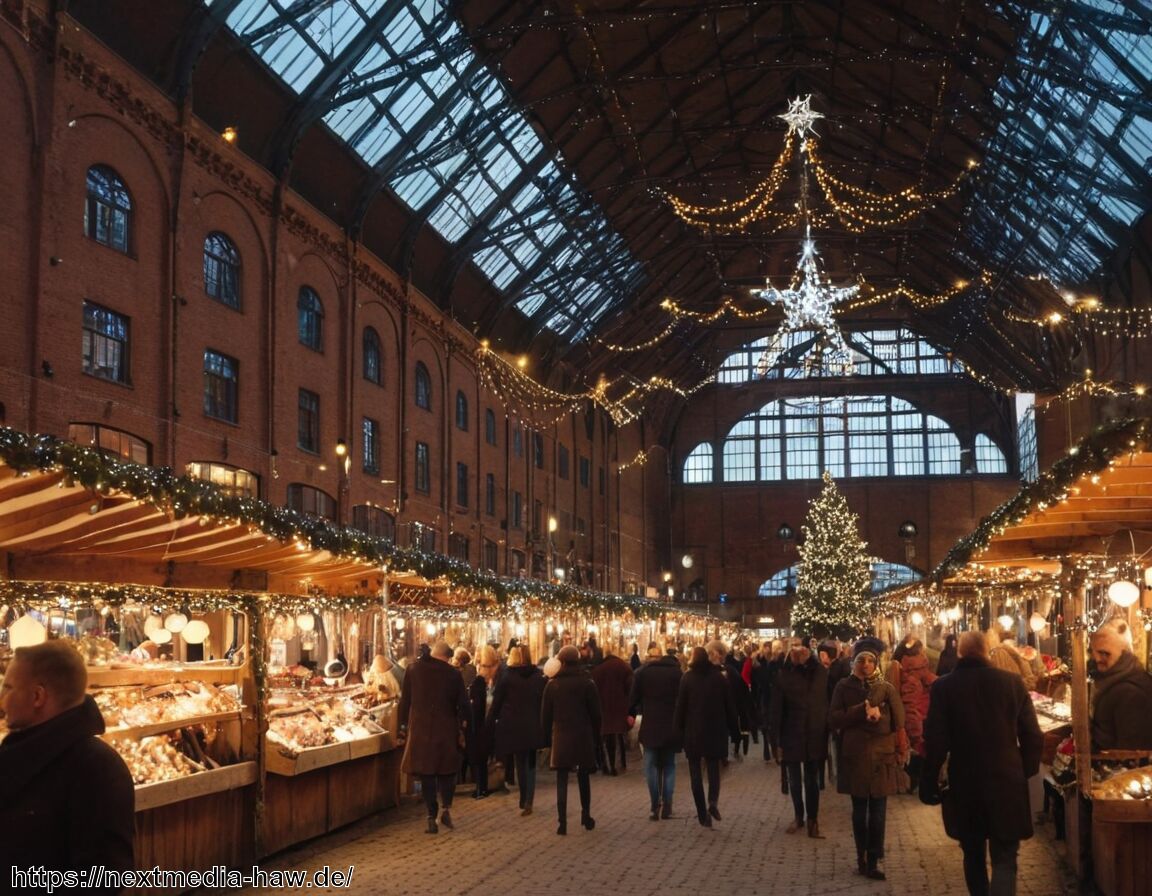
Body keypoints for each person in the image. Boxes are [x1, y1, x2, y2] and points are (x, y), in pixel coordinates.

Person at [0, 640, 135, 888]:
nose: (2, 700)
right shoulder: (20, 753)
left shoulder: (95, 768)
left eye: (8, 688)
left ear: (37, 696)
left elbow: (101, 879)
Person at [920, 631, 1042, 896]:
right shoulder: (1012, 683)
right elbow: (1033, 735)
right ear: (988, 651)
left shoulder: (944, 687)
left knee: (973, 854)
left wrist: (928, 779)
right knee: (1005, 858)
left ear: (960, 652)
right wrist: (1025, 769)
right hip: (1007, 781)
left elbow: (936, 740)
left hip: (966, 782)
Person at [829, 642, 905, 880]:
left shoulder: (886, 687)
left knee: (879, 810)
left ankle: (874, 859)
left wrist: (879, 719)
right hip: (856, 755)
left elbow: (896, 721)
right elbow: (834, 719)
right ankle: (861, 856)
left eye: (870, 661)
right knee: (860, 809)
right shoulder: (843, 686)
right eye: (861, 661)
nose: (866, 665)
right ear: (854, 663)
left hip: (881, 755)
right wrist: (861, 710)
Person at [397, 639, 470, 834]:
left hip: (420, 729)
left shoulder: (413, 670)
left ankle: (431, 815)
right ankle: (445, 808)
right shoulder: (453, 674)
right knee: (447, 771)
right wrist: (463, 724)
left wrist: (401, 727)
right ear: (447, 657)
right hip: (446, 729)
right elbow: (464, 704)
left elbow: (405, 702)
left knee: (427, 772)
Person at [770, 635, 830, 837]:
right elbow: (776, 710)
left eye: (801, 650)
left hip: (814, 733)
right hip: (792, 734)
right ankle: (799, 816)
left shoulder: (820, 673)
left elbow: (827, 702)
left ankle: (813, 819)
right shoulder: (783, 676)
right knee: (795, 780)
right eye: (794, 650)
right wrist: (776, 740)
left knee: (811, 780)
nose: (798, 653)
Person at [674, 642, 738, 828]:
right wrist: (735, 731)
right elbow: (729, 707)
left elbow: (681, 708)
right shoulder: (719, 678)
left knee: (695, 774)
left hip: (693, 732)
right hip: (715, 730)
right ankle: (712, 802)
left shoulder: (687, 679)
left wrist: (677, 731)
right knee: (713, 770)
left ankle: (702, 813)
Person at [541, 644, 601, 835]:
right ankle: (586, 814)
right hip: (582, 735)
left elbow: (545, 716)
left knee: (561, 778)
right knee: (584, 777)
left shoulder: (552, 684)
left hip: (561, 736)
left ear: (562, 661)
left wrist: (546, 738)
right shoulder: (587, 683)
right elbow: (596, 714)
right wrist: (596, 735)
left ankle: (562, 822)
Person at [489, 644, 547, 816]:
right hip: (533, 725)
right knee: (531, 764)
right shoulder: (538, 676)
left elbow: (497, 702)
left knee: (520, 763)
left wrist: (490, 720)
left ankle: (524, 799)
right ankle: (529, 798)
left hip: (514, 726)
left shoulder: (507, 677)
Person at [629, 641, 683, 820]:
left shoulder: (642, 673)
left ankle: (654, 804)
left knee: (650, 766)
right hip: (670, 725)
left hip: (650, 725)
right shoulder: (676, 672)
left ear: (648, 657)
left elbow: (633, 699)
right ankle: (667, 804)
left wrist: (630, 713)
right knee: (669, 766)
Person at [1089, 617, 1152, 750]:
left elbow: (1131, 754)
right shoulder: (1112, 679)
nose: (1097, 659)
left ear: (1124, 653)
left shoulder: (1130, 693)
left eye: (1104, 653)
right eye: (1093, 652)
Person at [895, 638, 936, 793]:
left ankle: (917, 779)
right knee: (921, 753)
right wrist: (915, 734)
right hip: (922, 719)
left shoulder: (910, 671)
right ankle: (917, 780)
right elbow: (910, 707)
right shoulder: (914, 675)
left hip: (921, 720)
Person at [591, 643, 633, 775]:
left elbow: (593, 692)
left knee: (605, 738)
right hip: (620, 709)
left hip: (603, 709)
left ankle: (607, 767)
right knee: (618, 738)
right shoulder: (624, 667)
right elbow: (631, 689)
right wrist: (631, 710)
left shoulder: (597, 670)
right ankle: (619, 766)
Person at [468, 644, 500, 798]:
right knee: (482, 759)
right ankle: (482, 787)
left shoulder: (486, 683)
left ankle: (482, 788)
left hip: (483, 728)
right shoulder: (481, 684)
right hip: (485, 728)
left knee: (481, 760)